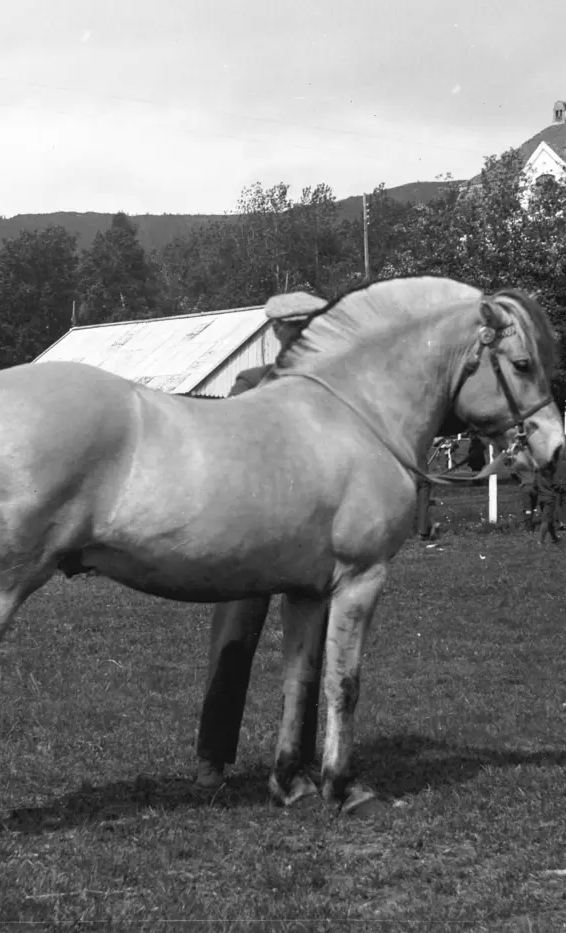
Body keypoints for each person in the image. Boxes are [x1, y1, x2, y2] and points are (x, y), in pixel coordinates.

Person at [195, 290, 328, 789]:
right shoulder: (250, 385)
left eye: (305, 328)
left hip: (312, 540)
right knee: (232, 642)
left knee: (310, 648)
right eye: (289, 330)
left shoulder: (330, 392)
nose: (296, 337)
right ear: (276, 333)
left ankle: (301, 756)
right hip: (251, 539)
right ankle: (211, 759)